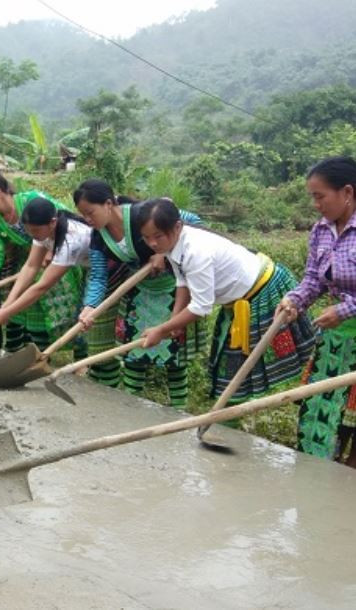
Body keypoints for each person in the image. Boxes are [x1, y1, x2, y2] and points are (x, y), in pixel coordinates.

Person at [138, 198, 315, 406]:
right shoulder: (173, 244)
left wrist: (162, 329)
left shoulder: (196, 252)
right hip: (238, 299)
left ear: (177, 226)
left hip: (264, 292)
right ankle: (227, 418)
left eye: (157, 236)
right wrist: (174, 319)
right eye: (146, 237)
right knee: (230, 374)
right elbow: (182, 281)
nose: (152, 244)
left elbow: (201, 307)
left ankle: (310, 391)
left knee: (242, 374)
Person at [75, 181, 205, 403]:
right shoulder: (98, 237)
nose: (88, 219)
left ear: (108, 204)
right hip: (139, 295)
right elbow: (98, 276)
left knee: (175, 360)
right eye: (83, 215)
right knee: (133, 354)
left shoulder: (141, 214)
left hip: (175, 293)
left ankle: (179, 410)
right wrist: (90, 307)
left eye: (90, 212)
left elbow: (194, 223)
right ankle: (130, 408)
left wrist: (165, 253)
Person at [278, 156, 356, 464]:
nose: (315, 204)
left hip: (344, 323)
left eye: (320, 196)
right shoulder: (321, 230)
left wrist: (347, 309)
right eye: (313, 196)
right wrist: (294, 300)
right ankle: (316, 485)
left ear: (347, 192)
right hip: (335, 341)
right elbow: (313, 278)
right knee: (319, 419)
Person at [0, 172, 85, 353]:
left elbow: (62, 218)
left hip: (58, 261)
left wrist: (50, 249)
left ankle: (74, 359)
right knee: (30, 315)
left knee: (65, 316)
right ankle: (37, 356)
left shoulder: (33, 201)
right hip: (30, 265)